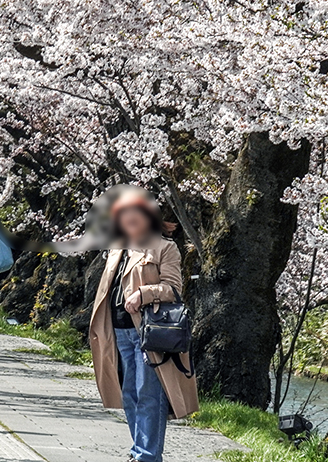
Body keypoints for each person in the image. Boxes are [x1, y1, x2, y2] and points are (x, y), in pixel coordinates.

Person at [88, 187, 198, 462]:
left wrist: (144, 294)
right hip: (118, 331)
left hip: (148, 333)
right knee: (129, 395)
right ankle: (138, 450)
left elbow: (173, 289)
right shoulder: (117, 248)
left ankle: (147, 456)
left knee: (148, 393)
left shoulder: (164, 247)